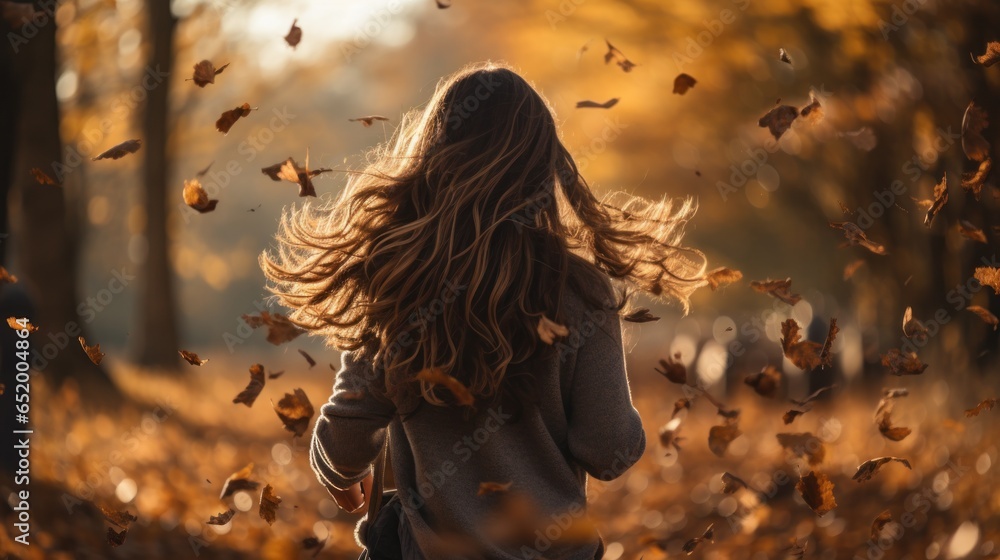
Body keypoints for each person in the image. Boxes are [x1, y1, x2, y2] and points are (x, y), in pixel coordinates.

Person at [261, 61, 707, 560]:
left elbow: (344, 438)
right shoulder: (580, 291)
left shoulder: (397, 280)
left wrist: (343, 477)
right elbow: (609, 450)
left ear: (432, 157)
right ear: (543, 167)